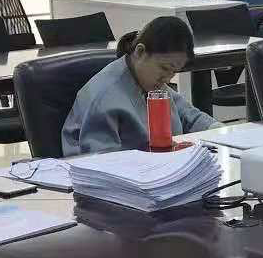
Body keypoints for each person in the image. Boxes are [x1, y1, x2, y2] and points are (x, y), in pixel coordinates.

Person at [61, 16, 217, 156]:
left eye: (174, 71)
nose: (168, 78)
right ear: (140, 52)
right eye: (164, 68)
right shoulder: (103, 96)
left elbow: (189, 116)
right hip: (117, 171)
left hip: (154, 165)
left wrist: (219, 129)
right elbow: (104, 161)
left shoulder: (151, 82)